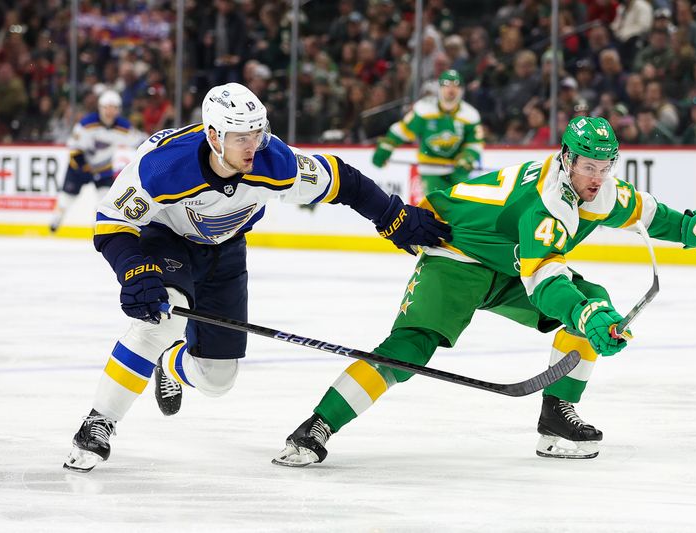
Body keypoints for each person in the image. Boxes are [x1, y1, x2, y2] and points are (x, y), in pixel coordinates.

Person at [273, 116, 696, 466]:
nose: (597, 177)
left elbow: (650, 214)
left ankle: (556, 419)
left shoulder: (600, 190)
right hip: (457, 254)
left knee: (591, 296)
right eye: (588, 166)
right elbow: (545, 281)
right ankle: (317, 426)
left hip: (510, 262)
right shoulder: (546, 205)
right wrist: (587, 318)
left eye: (605, 166)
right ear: (568, 160)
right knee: (410, 348)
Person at [63, 83, 451, 472]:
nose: (252, 145)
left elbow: (342, 180)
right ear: (214, 135)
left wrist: (391, 216)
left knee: (217, 379)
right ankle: (99, 423)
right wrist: (133, 269)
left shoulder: (274, 161)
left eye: (257, 133)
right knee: (162, 319)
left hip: (226, 249)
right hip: (166, 237)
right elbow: (112, 222)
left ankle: (172, 364)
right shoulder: (164, 167)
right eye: (240, 137)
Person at [371, 70, 484, 200]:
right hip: (431, 169)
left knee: (463, 208)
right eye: (447, 85)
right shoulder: (424, 109)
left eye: (456, 86)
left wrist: (468, 157)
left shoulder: (470, 115)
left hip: (457, 170)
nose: (451, 90)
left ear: (462, 90)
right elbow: (402, 130)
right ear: (440, 88)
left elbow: (474, 143)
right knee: (438, 209)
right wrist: (387, 146)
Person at [50, 90, 143, 233]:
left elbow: (141, 141)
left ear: (118, 110)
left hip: (103, 169)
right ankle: (56, 220)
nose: (110, 112)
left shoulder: (124, 128)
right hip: (79, 167)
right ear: (100, 107)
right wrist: (83, 167)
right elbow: (74, 149)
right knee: (66, 198)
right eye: (107, 107)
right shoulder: (86, 124)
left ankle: (98, 227)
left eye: (114, 108)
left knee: (105, 200)